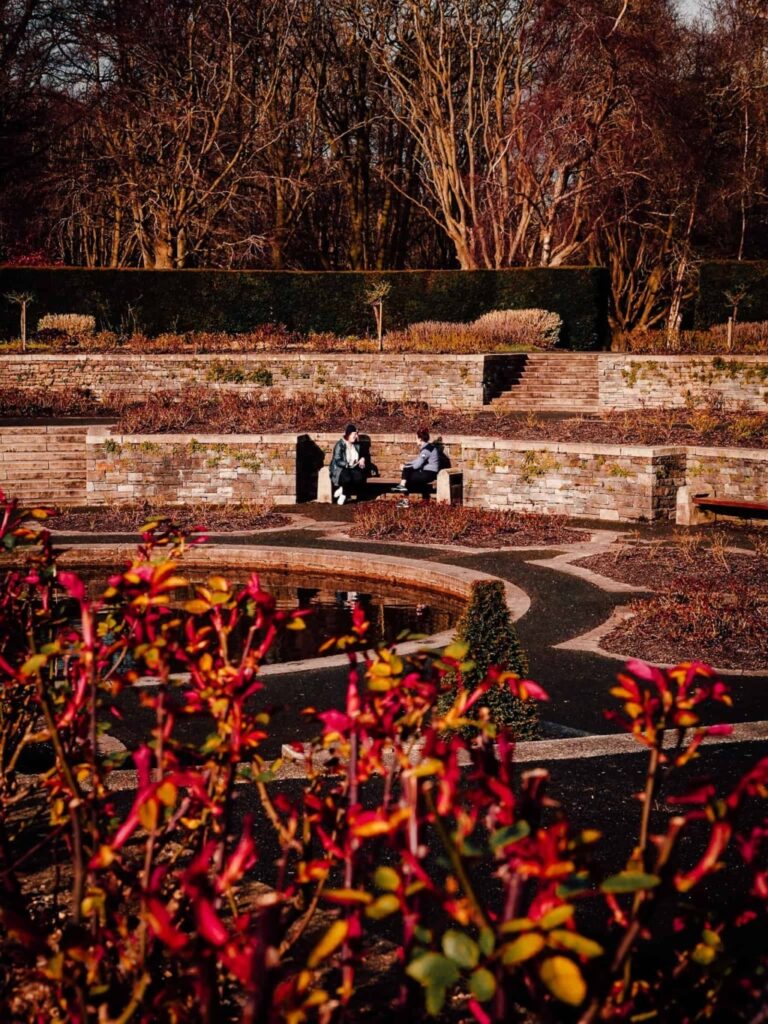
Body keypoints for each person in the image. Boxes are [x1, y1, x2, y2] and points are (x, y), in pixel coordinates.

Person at [392, 427, 441, 503]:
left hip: (429, 474)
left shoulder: (426, 450)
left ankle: (403, 494)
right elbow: (418, 460)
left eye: (416, 438)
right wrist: (407, 463)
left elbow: (417, 465)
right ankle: (422, 499)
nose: (415, 441)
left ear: (420, 439)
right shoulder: (427, 447)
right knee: (408, 474)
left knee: (407, 473)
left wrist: (405, 467)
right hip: (427, 473)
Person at [329, 423, 368, 505]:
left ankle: (343, 490)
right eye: (354, 434)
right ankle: (344, 495)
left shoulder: (356, 445)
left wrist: (362, 459)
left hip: (353, 467)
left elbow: (364, 454)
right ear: (348, 435)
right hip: (340, 468)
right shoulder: (340, 444)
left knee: (359, 478)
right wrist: (347, 464)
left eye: (356, 434)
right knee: (347, 478)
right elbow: (337, 460)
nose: (356, 436)